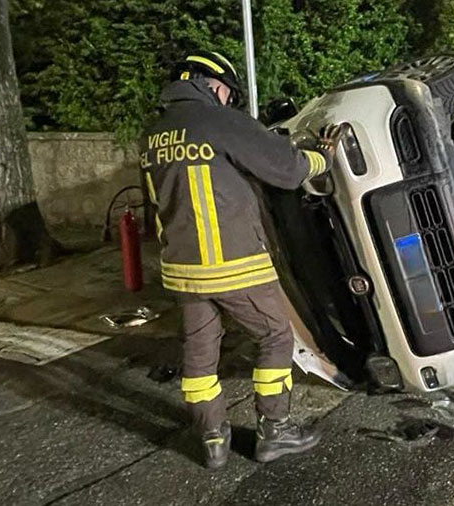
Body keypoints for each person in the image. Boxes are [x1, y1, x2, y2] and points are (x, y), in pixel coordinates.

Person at [140, 51, 346, 468]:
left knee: (199, 354)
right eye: (228, 93)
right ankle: (275, 432)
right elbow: (287, 170)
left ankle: (213, 441)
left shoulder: (154, 135)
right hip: (233, 265)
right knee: (274, 337)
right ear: (213, 84)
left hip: (183, 269)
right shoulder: (219, 121)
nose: (228, 100)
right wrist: (324, 157)